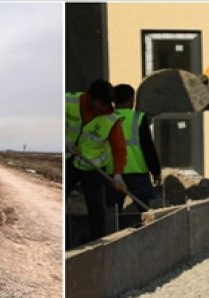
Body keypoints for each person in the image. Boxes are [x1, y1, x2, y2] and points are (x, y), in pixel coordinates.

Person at [65, 79, 127, 247]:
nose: (103, 109)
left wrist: (118, 174)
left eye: (107, 105)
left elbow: (119, 148)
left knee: (96, 210)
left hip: (92, 168)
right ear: (90, 97)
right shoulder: (67, 102)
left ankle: (97, 246)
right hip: (68, 163)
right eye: (101, 104)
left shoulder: (111, 119)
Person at [109, 83, 162, 217]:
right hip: (138, 172)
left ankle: (109, 237)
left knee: (111, 213)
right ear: (131, 100)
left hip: (113, 172)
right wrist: (155, 170)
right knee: (149, 212)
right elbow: (147, 146)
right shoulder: (138, 118)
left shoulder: (107, 118)